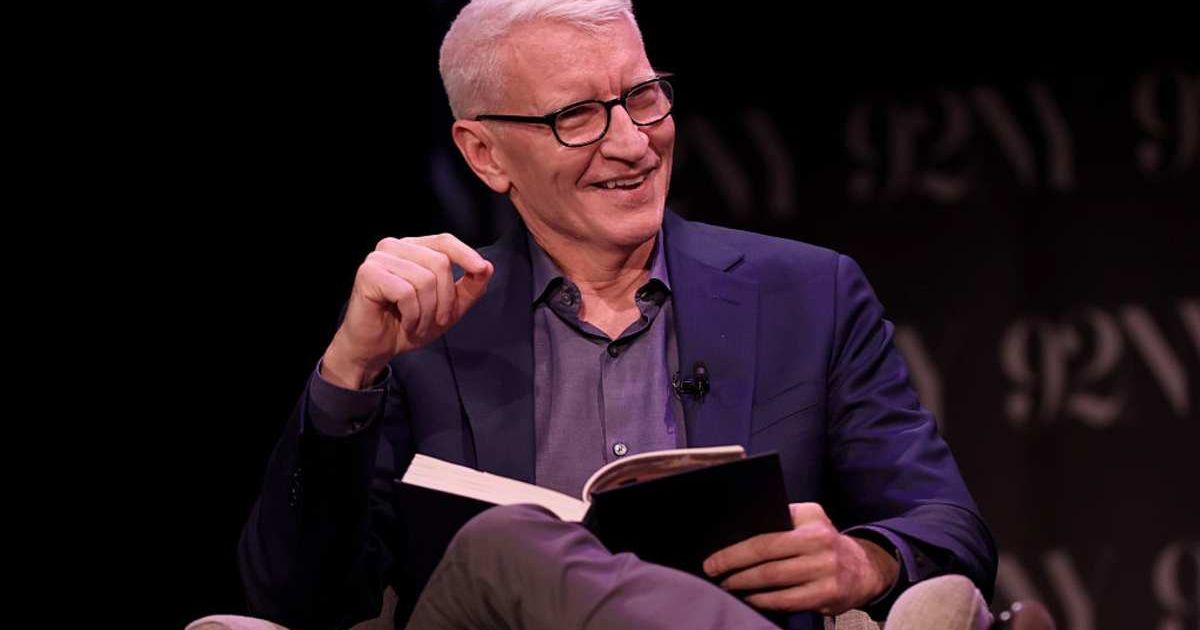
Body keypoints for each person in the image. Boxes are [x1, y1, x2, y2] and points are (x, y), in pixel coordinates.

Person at [238, 1, 997, 628]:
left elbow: (947, 524)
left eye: (642, 97)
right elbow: (300, 600)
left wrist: (866, 561)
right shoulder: (422, 328)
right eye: (578, 116)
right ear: (485, 155)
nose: (634, 144)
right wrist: (349, 371)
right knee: (506, 543)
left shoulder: (810, 293)